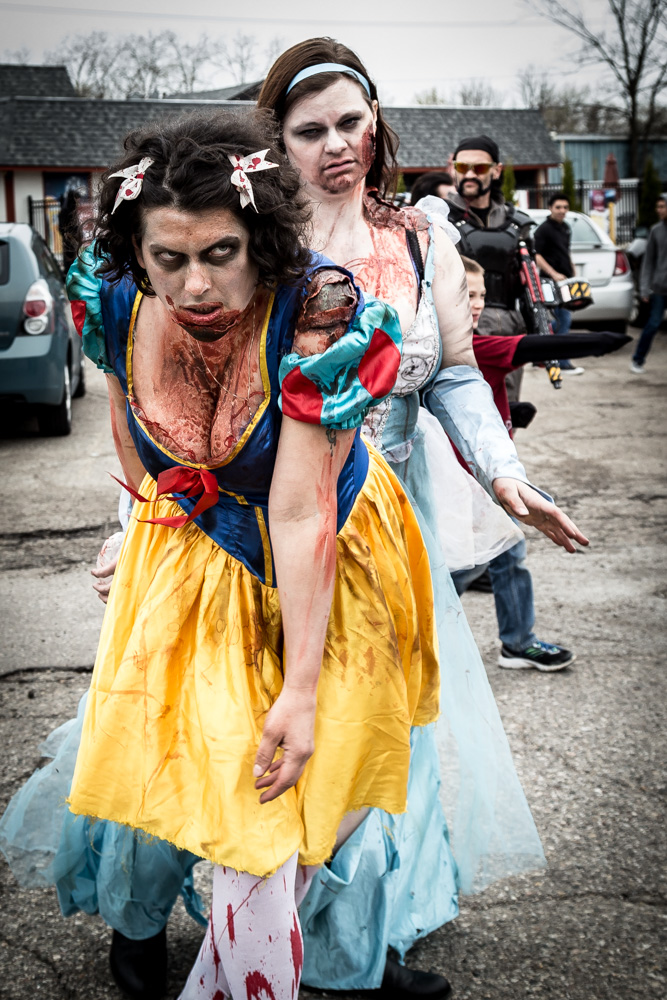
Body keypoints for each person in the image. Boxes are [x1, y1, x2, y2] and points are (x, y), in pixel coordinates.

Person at [1, 108, 443, 1000]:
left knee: (304, 784)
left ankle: (326, 957)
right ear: (137, 252)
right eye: (168, 258)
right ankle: (141, 929)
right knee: (165, 758)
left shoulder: (318, 308)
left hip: (322, 553)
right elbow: (131, 436)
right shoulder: (115, 295)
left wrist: (300, 689)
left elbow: (299, 507)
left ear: (261, 240)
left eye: (220, 253)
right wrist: (138, 531)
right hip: (189, 551)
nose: (194, 284)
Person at [258, 37, 588, 993]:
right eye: (310, 130)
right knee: (266, 724)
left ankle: (354, 946)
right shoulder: (255, 245)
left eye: (350, 123)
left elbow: (451, 374)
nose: (336, 146)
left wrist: (503, 475)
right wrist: (135, 520)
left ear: (377, 125)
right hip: (273, 530)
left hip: (394, 531)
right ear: (276, 142)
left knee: (384, 733)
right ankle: (167, 907)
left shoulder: (418, 240)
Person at [452, 257, 629, 669]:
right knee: (460, 569)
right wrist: (597, 341)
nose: (477, 304)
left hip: (493, 479)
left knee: (507, 555)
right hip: (468, 483)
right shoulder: (472, 348)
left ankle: (516, 643)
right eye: (466, 294)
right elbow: (532, 347)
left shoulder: (470, 343)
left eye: (481, 295)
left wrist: (512, 411)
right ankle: (421, 642)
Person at [445, 134, 534, 401]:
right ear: (453, 168)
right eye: (463, 167)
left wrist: (540, 329)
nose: (470, 174)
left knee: (508, 409)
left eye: (480, 167)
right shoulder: (437, 219)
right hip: (457, 331)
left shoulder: (518, 225)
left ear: (496, 171)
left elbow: (531, 283)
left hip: (508, 328)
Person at [534, 192, 584, 375]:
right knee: (564, 319)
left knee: (561, 321)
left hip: (566, 282)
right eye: (558, 207)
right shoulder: (543, 230)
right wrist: (554, 274)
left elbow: (566, 252)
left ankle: (539, 343)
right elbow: (537, 256)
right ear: (550, 208)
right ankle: (562, 362)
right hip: (550, 282)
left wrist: (573, 273)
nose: (562, 210)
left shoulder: (566, 228)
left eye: (565, 207)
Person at [631, 194, 667, 373]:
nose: (659, 210)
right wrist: (644, 289)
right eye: (658, 206)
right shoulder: (656, 230)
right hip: (660, 288)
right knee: (653, 324)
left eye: (662, 206)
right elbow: (648, 262)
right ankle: (637, 360)